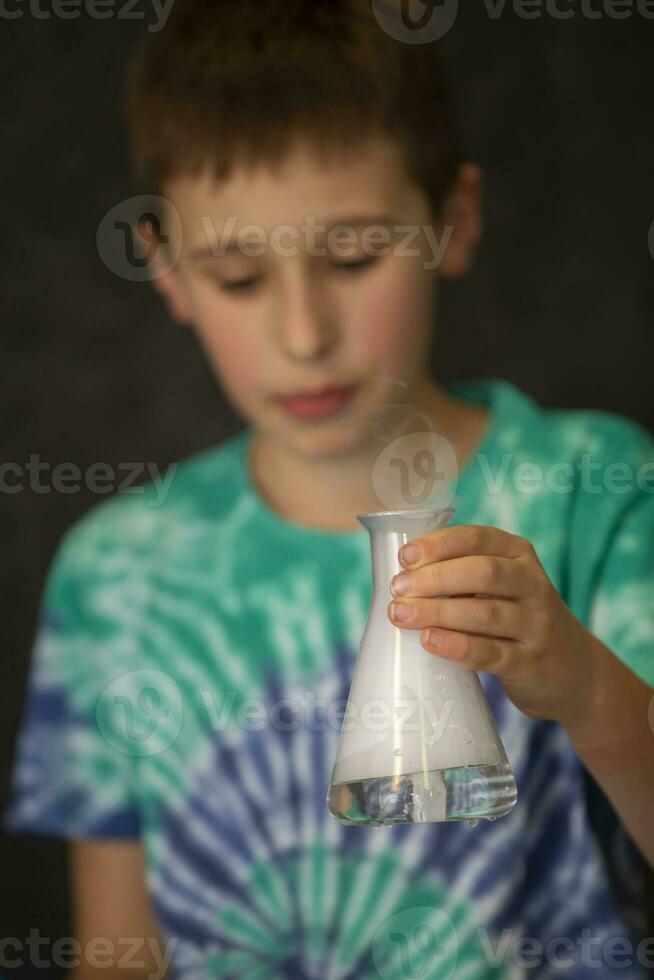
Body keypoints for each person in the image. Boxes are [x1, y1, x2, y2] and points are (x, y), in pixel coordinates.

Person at [4, 1, 654, 977]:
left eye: (353, 257)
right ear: (169, 272)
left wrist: (590, 688)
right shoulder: (117, 574)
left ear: (454, 222)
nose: (304, 333)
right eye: (236, 275)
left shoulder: (593, 492)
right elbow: (117, 952)